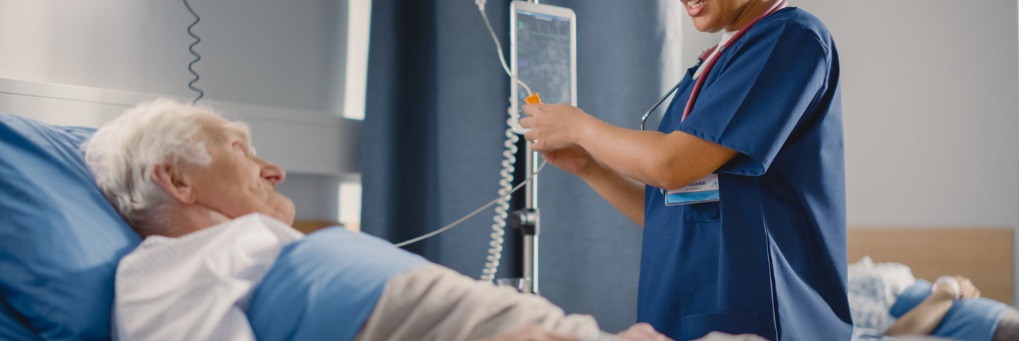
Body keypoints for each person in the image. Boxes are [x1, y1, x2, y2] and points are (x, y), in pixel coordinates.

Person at [83, 99, 670, 341]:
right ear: (177, 181)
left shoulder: (247, 246)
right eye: (237, 149)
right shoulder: (158, 276)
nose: (274, 170)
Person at [519, 0, 849, 340]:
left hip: (759, 316)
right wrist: (590, 168)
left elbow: (669, 165)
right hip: (683, 315)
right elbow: (676, 213)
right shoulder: (719, 61)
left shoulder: (790, 39)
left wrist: (580, 127)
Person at [847, 257, 1018, 341]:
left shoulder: (852, 272)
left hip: (958, 306)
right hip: (940, 316)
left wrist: (951, 284)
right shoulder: (835, 302)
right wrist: (948, 289)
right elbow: (893, 335)